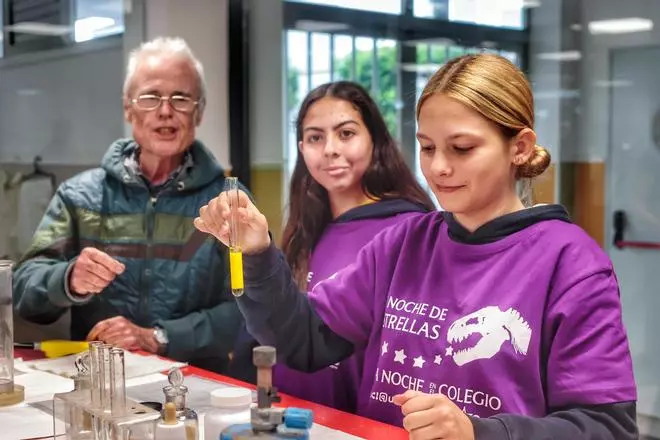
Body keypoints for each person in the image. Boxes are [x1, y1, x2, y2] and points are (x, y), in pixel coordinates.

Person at [195, 53, 638, 439]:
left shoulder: (569, 262)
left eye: (462, 148)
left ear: (518, 148)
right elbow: (305, 339)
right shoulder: (406, 243)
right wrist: (256, 253)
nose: (439, 168)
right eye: (427, 147)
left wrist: (479, 432)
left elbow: (607, 427)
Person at [13, 37, 246, 375]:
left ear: (200, 110)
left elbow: (250, 309)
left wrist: (158, 337)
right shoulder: (79, 197)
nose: (165, 111)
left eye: (180, 98)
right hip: (99, 383)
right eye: (150, 97)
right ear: (128, 107)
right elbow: (23, 291)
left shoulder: (228, 204)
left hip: (197, 390)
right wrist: (68, 279)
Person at [271, 81, 435, 411]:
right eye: (316, 138)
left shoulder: (406, 228)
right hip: (290, 414)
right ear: (302, 147)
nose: (330, 149)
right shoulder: (304, 226)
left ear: (374, 139)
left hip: (357, 422)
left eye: (346, 134)